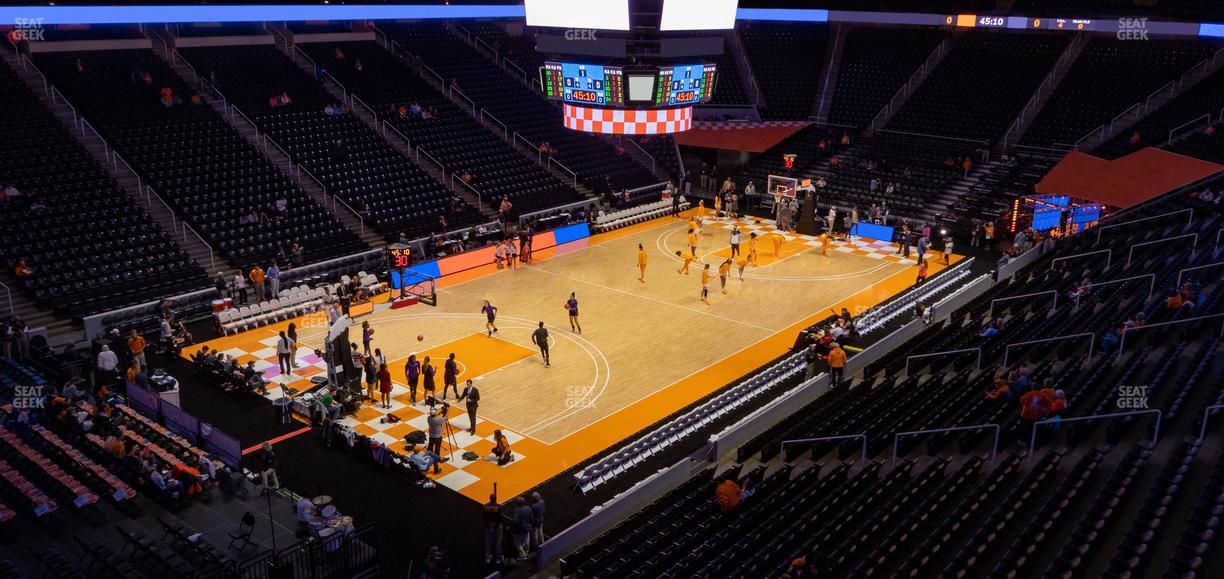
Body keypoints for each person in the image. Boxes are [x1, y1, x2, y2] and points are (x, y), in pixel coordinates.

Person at [483, 489, 504, 564]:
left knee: (488, 542)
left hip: (488, 525)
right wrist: (494, 527)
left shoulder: (485, 506)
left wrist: (489, 527)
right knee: (498, 542)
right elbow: (499, 518)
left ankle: (488, 558)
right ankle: (498, 558)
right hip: (497, 525)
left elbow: (484, 518)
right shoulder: (499, 507)